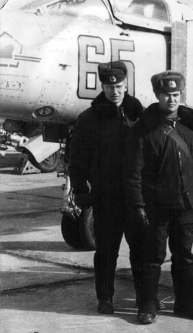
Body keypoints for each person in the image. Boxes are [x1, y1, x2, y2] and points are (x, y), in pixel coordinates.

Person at [125, 71, 193, 324]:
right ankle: (148, 305)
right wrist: (138, 206)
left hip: (186, 204)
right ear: (157, 96)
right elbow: (133, 172)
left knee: (184, 256)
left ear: (180, 95)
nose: (171, 99)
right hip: (157, 206)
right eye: (166, 95)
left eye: (175, 94)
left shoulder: (190, 126)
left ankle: (185, 303)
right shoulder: (143, 128)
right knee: (153, 257)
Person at [69, 61, 143, 314]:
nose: (115, 92)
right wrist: (80, 191)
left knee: (140, 251)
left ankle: (143, 298)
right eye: (109, 87)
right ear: (102, 86)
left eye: (120, 86)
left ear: (125, 85)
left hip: (135, 198)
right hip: (106, 196)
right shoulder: (88, 119)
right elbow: (77, 159)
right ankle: (105, 297)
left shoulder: (137, 112)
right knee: (106, 252)